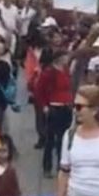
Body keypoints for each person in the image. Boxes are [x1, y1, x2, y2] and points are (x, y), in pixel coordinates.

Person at [33, 50, 74, 178]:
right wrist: (44, 105)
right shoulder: (49, 73)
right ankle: (47, 166)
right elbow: (39, 89)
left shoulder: (66, 70)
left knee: (63, 138)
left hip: (66, 106)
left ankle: (61, 166)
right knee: (50, 139)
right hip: (54, 106)